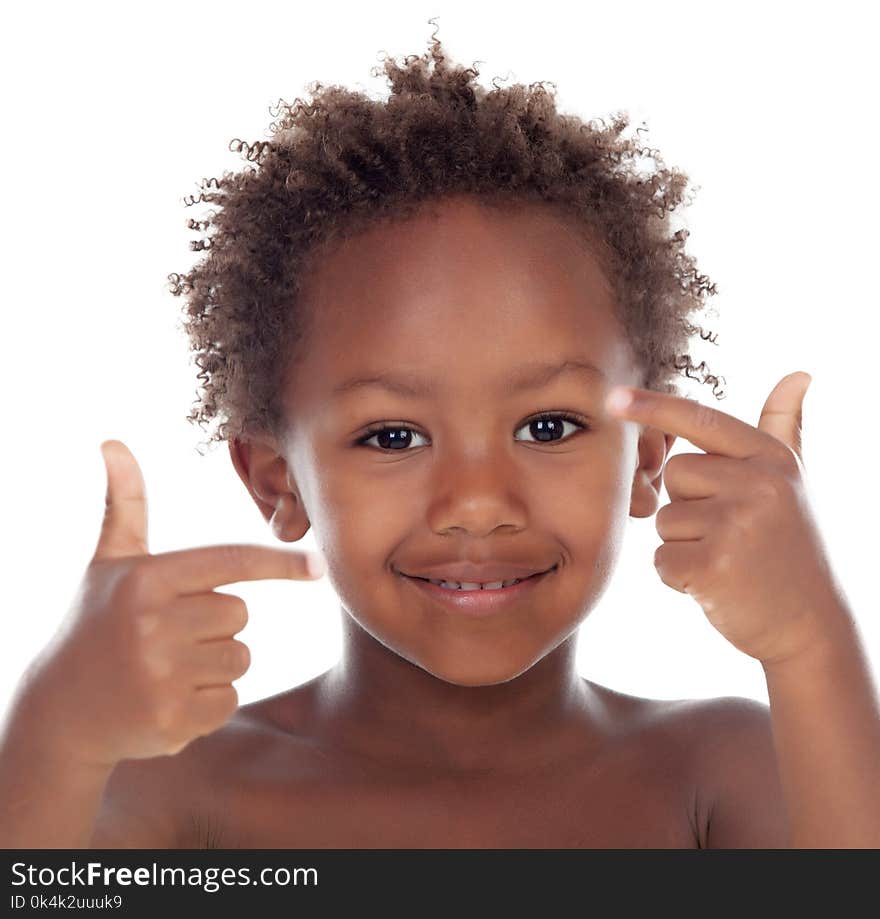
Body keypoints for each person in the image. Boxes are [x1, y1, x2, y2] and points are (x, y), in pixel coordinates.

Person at [3, 23, 877, 849]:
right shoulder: (182, 791)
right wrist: (55, 738)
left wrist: (810, 641)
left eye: (548, 424)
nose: (478, 505)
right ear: (278, 481)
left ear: (647, 457)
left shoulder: (722, 770)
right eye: (391, 436)